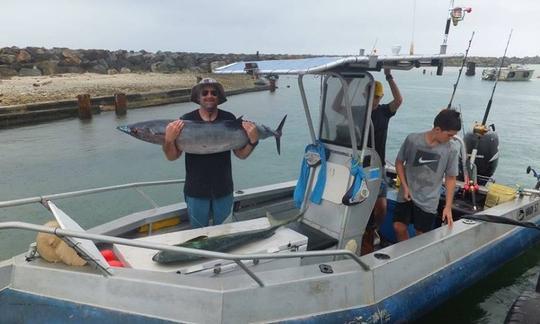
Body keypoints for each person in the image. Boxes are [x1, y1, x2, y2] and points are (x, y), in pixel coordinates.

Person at [162, 78, 259, 228]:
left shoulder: (229, 119)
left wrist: (253, 141)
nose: (209, 95)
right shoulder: (185, 121)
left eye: (214, 93)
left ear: (218, 97)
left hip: (224, 189)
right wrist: (169, 140)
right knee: (199, 233)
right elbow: (172, 157)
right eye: (205, 92)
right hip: (196, 190)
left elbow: (241, 155)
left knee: (225, 231)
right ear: (198, 97)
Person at [392, 109, 461, 241]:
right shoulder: (413, 140)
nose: (451, 138)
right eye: (449, 135)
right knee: (398, 226)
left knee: (422, 236)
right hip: (406, 194)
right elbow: (399, 162)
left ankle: (415, 258)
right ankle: (406, 254)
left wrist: (448, 206)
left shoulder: (451, 149)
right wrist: (405, 186)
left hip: (428, 200)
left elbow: (451, 178)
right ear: (437, 130)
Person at [360, 68, 403, 255]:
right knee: (361, 203)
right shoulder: (357, 113)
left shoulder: (385, 112)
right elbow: (337, 109)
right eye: (371, 97)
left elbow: (399, 100)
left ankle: (372, 229)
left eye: (377, 97)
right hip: (359, 166)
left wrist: (389, 76)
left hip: (378, 167)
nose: (374, 101)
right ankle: (363, 232)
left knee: (382, 206)